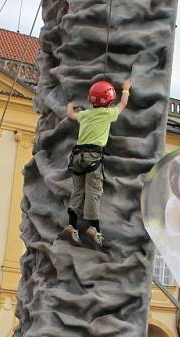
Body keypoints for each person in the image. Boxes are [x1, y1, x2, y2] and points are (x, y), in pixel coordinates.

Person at [63, 78, 131, 247]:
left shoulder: (85, 115)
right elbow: (123, 104)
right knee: (93, 192)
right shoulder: (108, 114)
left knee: (78, 192)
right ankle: (94, 229)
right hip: (93, 157)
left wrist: (71, 104)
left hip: (77, 157)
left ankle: (72, 226)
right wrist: (126, 88)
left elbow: (70, 115)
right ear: (109, 101)